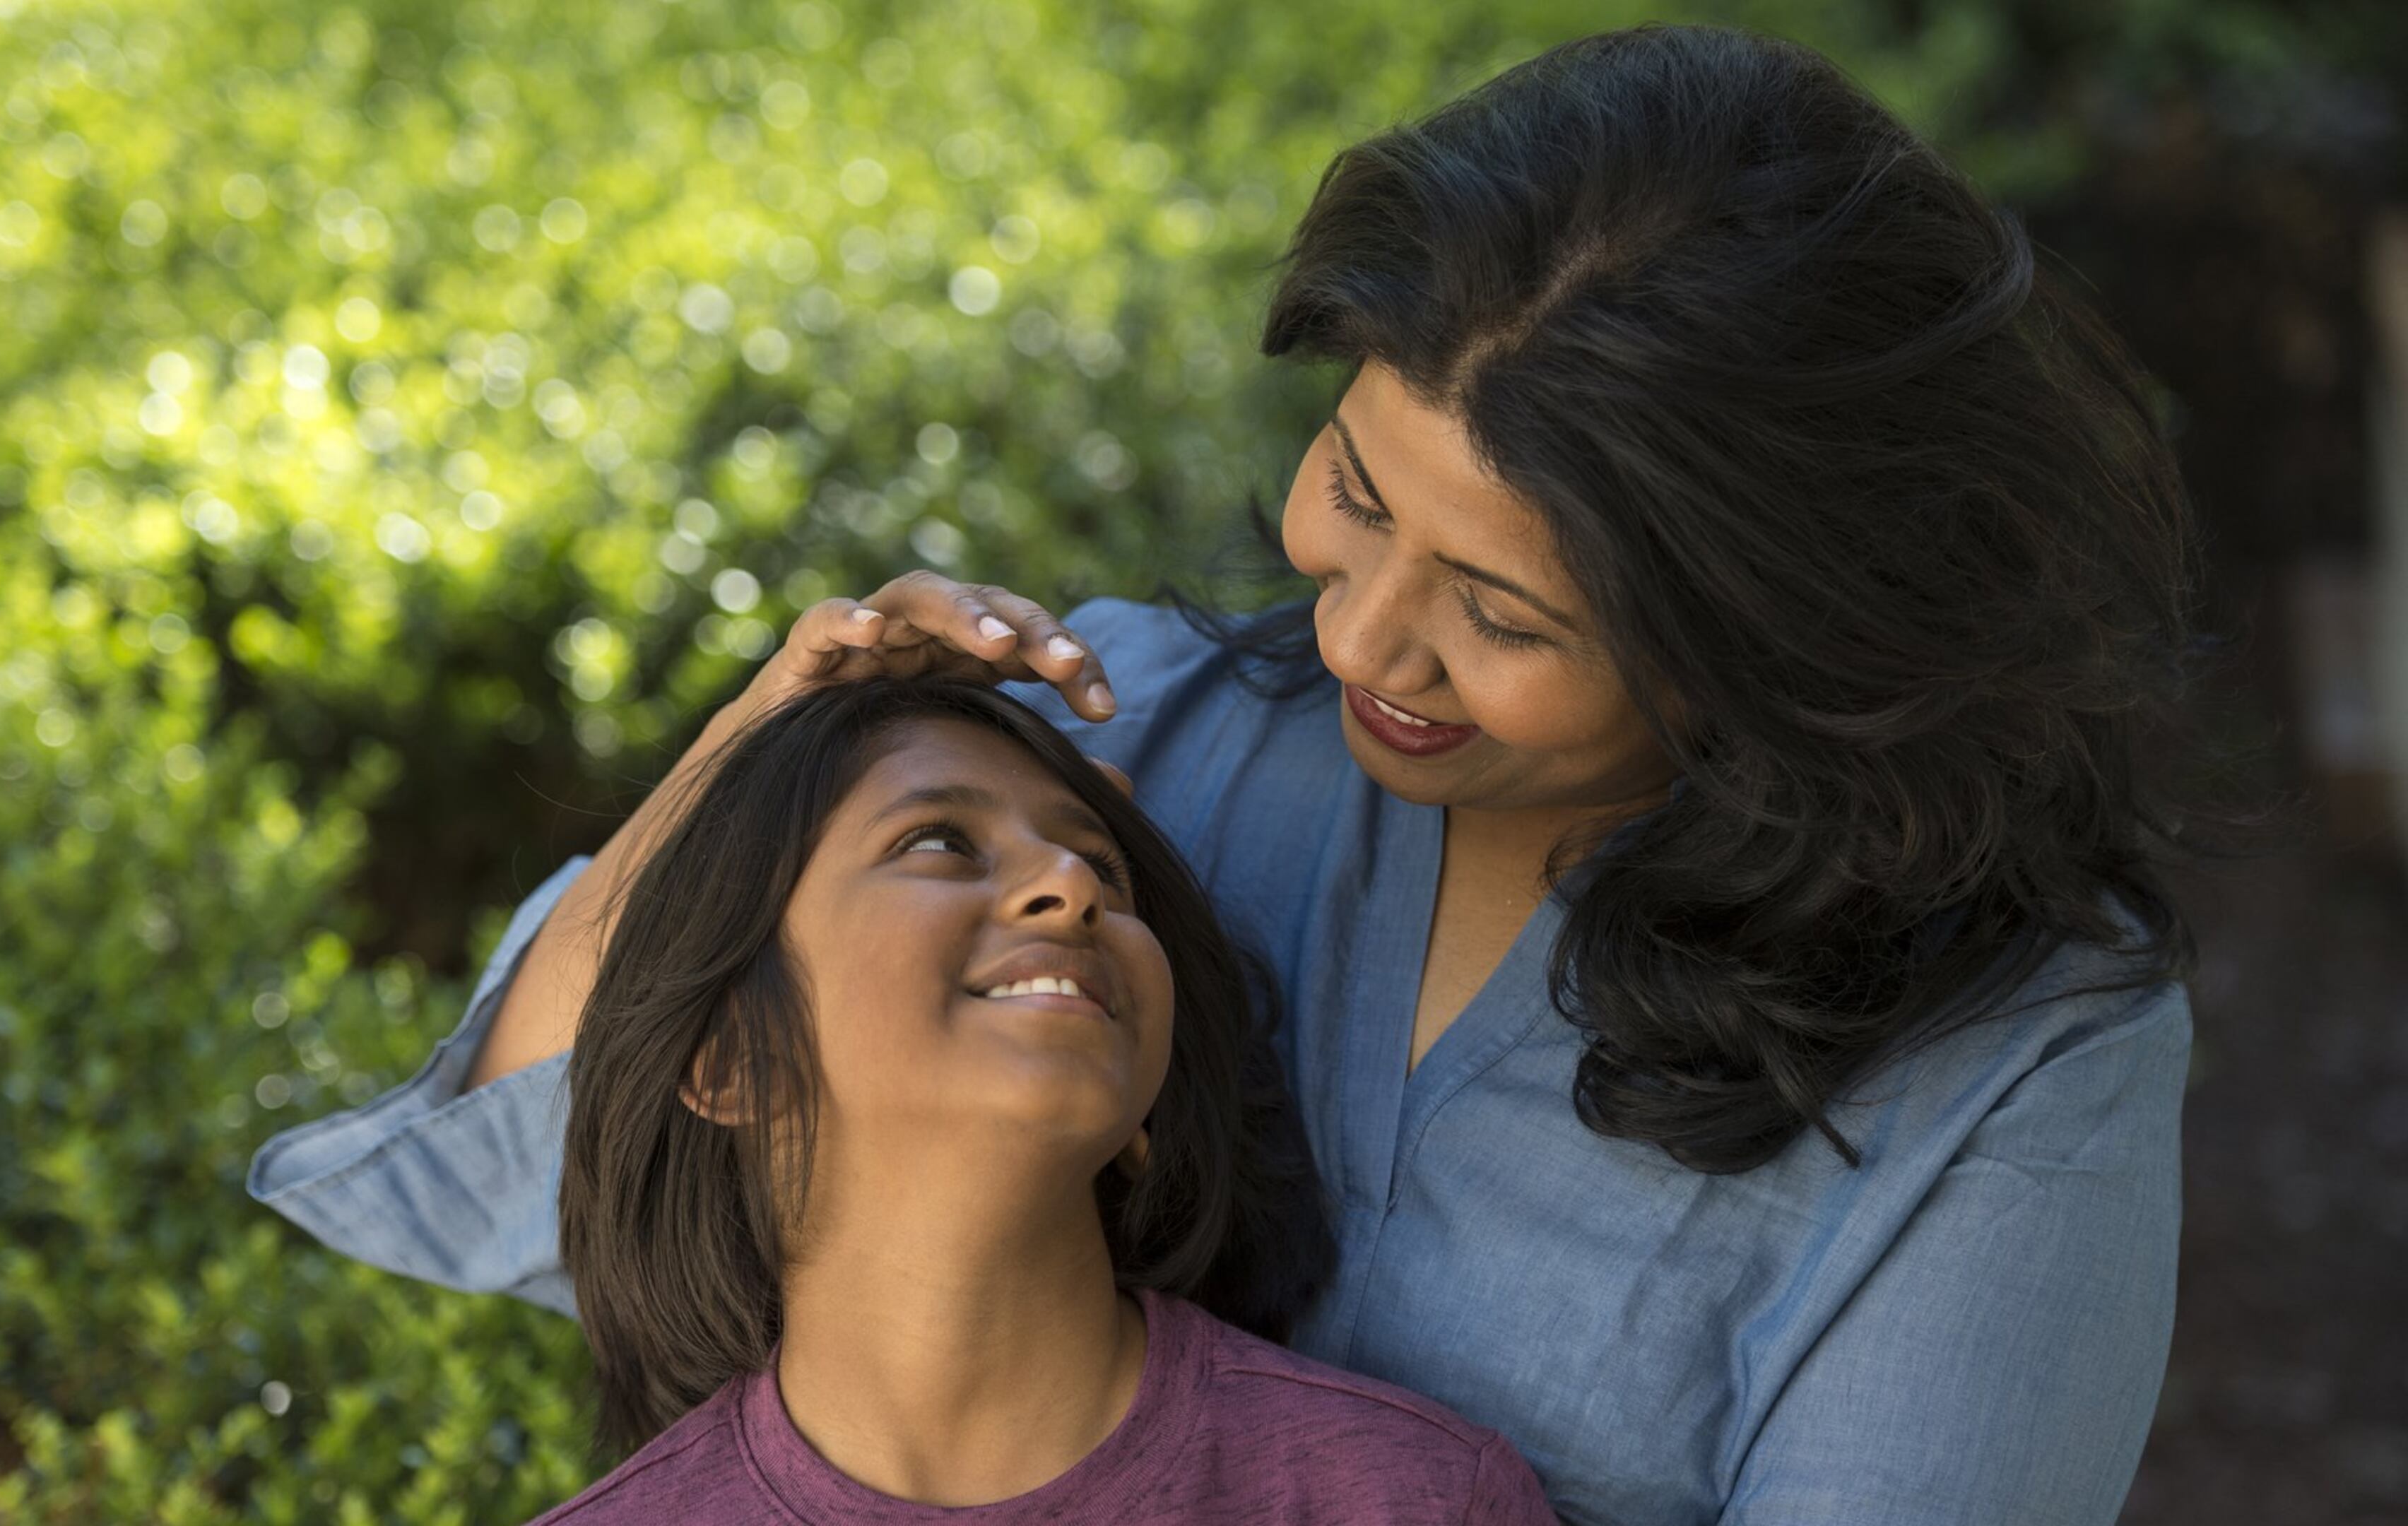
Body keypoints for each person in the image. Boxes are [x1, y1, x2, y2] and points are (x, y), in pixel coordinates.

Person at [251, 24, 2208, 1525]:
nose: (1362, 644)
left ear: (1783, 642)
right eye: (1353, 496)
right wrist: (756, 758)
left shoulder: (2008, 1059)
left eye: (1504, 617)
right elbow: (525, 1177)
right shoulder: (1134, 745)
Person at [523, 675, 1554, 1522]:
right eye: (939, 842)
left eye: (1103, 865)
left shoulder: (1410, 1499)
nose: (1071, 883)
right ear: (729, 1055)